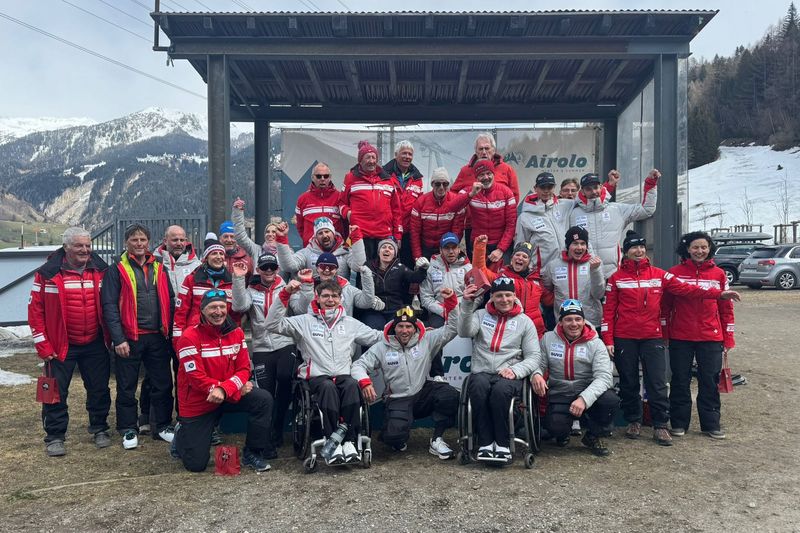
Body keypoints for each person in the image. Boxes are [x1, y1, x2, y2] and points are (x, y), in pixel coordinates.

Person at [601, 230, 741, 446]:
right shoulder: (616, 278)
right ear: (626, 252)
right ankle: (634, 420)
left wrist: (718, 294)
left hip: (652, 337)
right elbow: (608, 312)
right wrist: (608, 339)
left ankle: (660, 425)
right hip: (624, 337)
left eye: (641, 247)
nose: (638, 251)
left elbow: (688, 289)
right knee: (628, 382)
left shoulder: (660, 274)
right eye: (632, 248)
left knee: (657, 383)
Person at [265, 279, 383, 465]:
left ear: (340, 299)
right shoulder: (303, 321)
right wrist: (285, 294)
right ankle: (332, 441)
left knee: (352, 385)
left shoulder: (350, 323)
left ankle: (350, 442)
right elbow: (272, 325)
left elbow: (377, 337)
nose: (330, 300)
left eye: (334, 296)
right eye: (325, 296)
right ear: (317, 298)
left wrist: (407, 329)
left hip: (344, 375)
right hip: (317, 377)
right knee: (328, 387)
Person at [28, 227, 111, 456]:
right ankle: (54, 436)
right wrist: (42, 345)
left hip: (95, 342)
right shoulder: (47, 274)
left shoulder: (102, 270)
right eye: (78, 246)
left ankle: (100, 428)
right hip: (60, 345)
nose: (84, 250)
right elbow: (35, 311)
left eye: (87, 246)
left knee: (99, 388)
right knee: (55, 392)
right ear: (66, 248)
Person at [173, 289, 274, 472]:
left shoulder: (236, 333)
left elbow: (244, 369)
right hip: (199, 401)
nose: (218, 312)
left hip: (227, 395)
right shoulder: (188, 337)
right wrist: (226, 389)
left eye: (221, 306)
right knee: (195, 465)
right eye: (212, 307)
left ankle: (253, 453)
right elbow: (195, 377)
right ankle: (182, 433)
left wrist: (225, 389)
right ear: (202, 310)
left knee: (263, 399)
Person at [352, 299, 460, 459]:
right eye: (400, 326)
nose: (404, 330)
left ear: (415, 328)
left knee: (449, 394)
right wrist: (365, 382)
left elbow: (452, 327)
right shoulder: (382, 346)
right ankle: (397, 436)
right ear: (394, 327)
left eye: (409, 326)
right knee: (393, 439)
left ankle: (437, 439)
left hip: (422, 394)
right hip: (397, 398)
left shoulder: (427, 339)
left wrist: (451, 304)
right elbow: (358, 365)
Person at [101, 223, 175, 449]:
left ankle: (162, 425)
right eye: (134, 240)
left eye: (143, 240)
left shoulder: (159, 266)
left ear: (149, 242)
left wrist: (170, 331)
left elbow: (170, 299)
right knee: (126, 386)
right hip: (129, 337)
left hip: (157, 336)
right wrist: (118, 338)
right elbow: (109, 305)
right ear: (126, 243)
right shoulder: (116, 269)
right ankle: (128, 428)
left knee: (162, 384)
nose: (139, 244)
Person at [458, 277, 542, 461]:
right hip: (482, 371)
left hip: (509, 374)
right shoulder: (480, 315)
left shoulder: (525, 321)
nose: (504, 299)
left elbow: (534, 356)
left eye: (508, 295)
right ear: (492, 298)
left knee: (500, 393)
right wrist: (466, 304)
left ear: (514, 296)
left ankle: (502, 443)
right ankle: (486, 443)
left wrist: (516, 370)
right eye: (499, 296)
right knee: (478, 389)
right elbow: (464, 332)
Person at [662, 231, 736, 440]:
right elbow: (665, 307)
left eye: (704, 247)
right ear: (687, 249)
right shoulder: (674, 273)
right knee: (680, 380)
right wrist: (665, 332)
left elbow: (726, 309)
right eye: (695, 247)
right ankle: (678, 423)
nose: (700, 251)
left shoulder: (719, 274)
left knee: (709, 381)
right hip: (680, 336)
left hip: (711, 337)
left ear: (709, 248)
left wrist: (728, 337)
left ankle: (711, 424)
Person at [534, 300, 619, 456]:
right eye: (568, 319)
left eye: (578, 319)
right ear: (560, 322)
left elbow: (604, 377)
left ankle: (594, 436)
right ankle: (563, 432)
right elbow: (538, 364)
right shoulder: (548, 339)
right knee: (555, 427)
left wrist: (584, 399)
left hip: (587, 391)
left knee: (610, 400)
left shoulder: (596, 343)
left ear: (584, 321)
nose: (574, 324)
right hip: (560, 392)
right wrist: (537, 374)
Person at [231, 253, 295, 448]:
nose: (268, 271)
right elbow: (239, 305)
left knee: (285, 379)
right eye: (264, 268)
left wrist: (304, 288)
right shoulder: (251, 289)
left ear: (277, 269)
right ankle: (267, 434)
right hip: (261, 346)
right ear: (258, 270)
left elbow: (301, 307)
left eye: (272, 268)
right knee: (266, 394)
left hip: (285, 342)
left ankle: (278, 428)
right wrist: (239, 278)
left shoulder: (286, 287)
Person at [570, 169, 658, 279]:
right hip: (584, 276)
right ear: (582, 191)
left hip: (613, 275)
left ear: (601, 187)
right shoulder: (573, 213)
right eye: (588, 189)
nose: (593, 192)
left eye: (596, 187)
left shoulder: (617, 209)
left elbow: (646, 210)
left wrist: (650, 183)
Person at [451, 133, 520, 254]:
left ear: (493, 149)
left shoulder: (507, 169)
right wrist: (466, 207)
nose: (484, 152)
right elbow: (453, 195)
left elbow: (514, 195)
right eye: (480, 149)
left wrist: (503, 214)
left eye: (487, 148)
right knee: (477, 269)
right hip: (473, 227)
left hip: (501, 230)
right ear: (475, 151)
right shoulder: (465, 170)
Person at [472, 235, 550, 336]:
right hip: (509, 330)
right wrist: (480, 246)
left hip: (535, 331)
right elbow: (480, 271)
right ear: (512, 258)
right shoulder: (501, 277)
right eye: (517, 255)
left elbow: (550, 300)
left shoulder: (536, 281)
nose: (520, 258)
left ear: (529, 262)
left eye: (525, 256)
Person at [340, 140, 403, 260]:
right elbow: (341, 203)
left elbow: (396, 211)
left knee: (384, 272)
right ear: (360, 160)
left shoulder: (388, 179)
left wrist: (398, 235)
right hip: (361, 234)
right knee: (363, 271)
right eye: (367, 157)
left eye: (374, 157)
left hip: (384, 235)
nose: (371, 161)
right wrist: (349, 214)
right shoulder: (350, 178)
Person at [172, 237, 240, 343]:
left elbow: (234, 315)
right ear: (206, 257)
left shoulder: (232, 281)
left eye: (221, 254)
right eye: (214, 253)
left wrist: (234, 338)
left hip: (222, 337)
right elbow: (181, 312)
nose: (218, 257)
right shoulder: (192, 279)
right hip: (196, 335)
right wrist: (178, 341)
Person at [540, 226, 605, 328]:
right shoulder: (553, 265)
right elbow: (547, 287)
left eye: (583, 244)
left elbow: (599, 294)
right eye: (575, 243)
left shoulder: (594, 264)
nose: (579, 247)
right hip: (563, 323)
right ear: (567, 245)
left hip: (590, 322)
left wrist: (595, 271)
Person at [458, 159, 517, 269]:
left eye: (488, 173)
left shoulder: (506, 192)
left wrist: (500, 249)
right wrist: (471, 194)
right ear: (476, 177)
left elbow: (511, 224)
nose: (486, 177)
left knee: (501, 281)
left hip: (500, 244)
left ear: (493, 174)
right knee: (479, 281)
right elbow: (454, 206)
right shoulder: (470, 190)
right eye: (481, 175)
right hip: (478, 244)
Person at [360, 238, 429, 331]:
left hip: (395, 308)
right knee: (374, 328)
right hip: (374, 309)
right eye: (383, 247)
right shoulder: (368, 266)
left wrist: (423, 268)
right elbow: (361, 287)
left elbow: (415, 278)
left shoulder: (400, 267)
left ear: (394, 254)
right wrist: (371, 300)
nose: (387, 249)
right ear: (378, 252)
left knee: (397, 329)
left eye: (390, 248)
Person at [515, 172, 576, 272]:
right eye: (543, 187)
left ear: (554, 188)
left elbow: (589, 197)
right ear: (535, 188)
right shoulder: (524, 217)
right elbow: (520, 247)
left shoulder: (565, 205)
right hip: (541, 271)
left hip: (565, 268)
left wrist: (609, 186)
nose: (546, 191)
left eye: (550, 187)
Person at [274, 217, 366, 282]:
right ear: (315, 236)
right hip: (314, 301)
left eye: (327, 231)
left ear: (333, 233)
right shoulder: (307, 252)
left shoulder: (344, 251)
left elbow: (358, 266)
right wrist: (282, 239)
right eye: (320, 233)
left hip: (340, 302)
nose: (325, 235)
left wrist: (356, 238)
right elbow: (289, 266)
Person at [290, 253, 379, 317]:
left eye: (331, 267)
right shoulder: (305, 285)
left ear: (336, 270)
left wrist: (367, 277)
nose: (327, 270)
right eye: (323, 267)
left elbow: (366, 302)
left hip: (342, 333)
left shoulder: (347, 288)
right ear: (317, 268)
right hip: (314, 334)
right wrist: (307, 285)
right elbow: (300, 311)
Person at [409, 167, 469, 261]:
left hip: (446, 247)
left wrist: (451, 251)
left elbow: (457, 230)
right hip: (426, 248)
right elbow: (415, 233)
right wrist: (417, 256)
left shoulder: (456, 201)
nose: (441, 187)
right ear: (432, 184)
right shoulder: (420, 202)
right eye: (437, 184)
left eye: (445, 184)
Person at [384, 140, 425, 267]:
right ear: (396, 155)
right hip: (388, 231)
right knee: (388, 265)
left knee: (407, 266)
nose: (407, 157)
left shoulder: (418, 179)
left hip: (408, 231)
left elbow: (420, 204)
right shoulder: (384, 174)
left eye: (410, 154)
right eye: (404, 153)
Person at [294, 162, 344, 246]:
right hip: (311, 249)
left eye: (326, 176)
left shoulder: (340, 197)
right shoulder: (302, 199)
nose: (322, 179)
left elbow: (345, 225)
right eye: (318, 176)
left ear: (330, 177)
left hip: (335, 250)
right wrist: (308, 240)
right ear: (312, 177)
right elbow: (300, 226)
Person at [231, 198, 284, 266]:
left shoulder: (286, 253)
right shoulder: (256, 251)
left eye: (274, 232)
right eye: (267, 232)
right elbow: (240, 237)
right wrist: (238, 211)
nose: (270, 234)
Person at [154, 225, 201, 295]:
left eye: (182, 240)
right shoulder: (154, 263)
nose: (179, 244)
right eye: (175, 240)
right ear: (165, 241)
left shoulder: (197, 266)